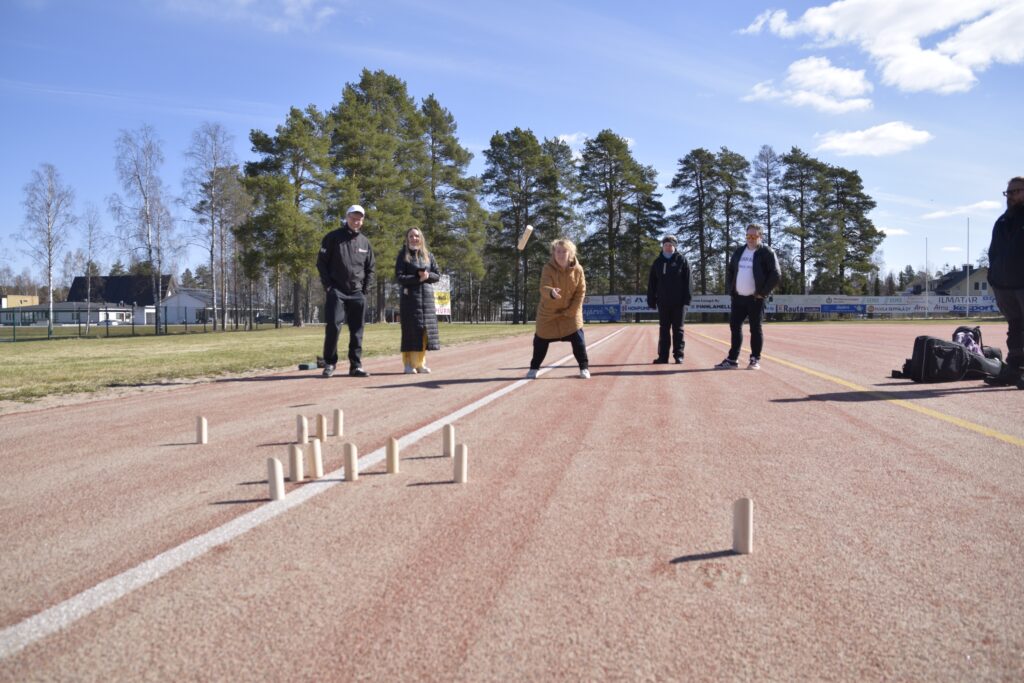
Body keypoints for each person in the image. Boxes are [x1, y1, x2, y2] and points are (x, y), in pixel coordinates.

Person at [317, 204, 375, 378]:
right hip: (337, 291)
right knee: (333, 327)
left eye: (359, 218)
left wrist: (364, 290)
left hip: (357, 293)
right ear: (347, 217)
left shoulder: (365, 242)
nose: (356, 221)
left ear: (362, 221)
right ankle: (329, 363)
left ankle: (355, 366)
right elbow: (321, 263)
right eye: (353, 217)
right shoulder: (333, 237)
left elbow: (370, 268)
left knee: (357, 330)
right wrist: (329, 286)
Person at [715, 224, 781, 370]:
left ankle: (754, 359)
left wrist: (763, 293)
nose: (750, 239)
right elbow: (730, 271)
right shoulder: (739, 251)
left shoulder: (766, 252)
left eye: (754, 236)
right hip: (738, 298)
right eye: (748, 236)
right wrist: (731, 290)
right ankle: (732, 359)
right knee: (735, 327)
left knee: (755, 329)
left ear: (760, 236)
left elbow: (776, 274)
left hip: (756, 299)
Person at [527, 238, 590, 379]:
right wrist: (551, 292)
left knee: (579, 340)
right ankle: (534, 368)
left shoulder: (578, 270)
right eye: (558, 251)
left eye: (564, 251)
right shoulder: (547, 268)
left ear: (571, 253)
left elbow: (581, 291)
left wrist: (572, 311)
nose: (560, 254)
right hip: (548, 313)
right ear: (553, 253)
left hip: (571, 312)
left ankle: (584, 368)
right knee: (540, 341)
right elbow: (543, 287)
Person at [987, 175, 1024, 371]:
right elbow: (993, 252)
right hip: (1003, 285)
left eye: (1016, 191)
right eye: (1008, 192)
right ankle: (1014, 367)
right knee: (1014, 327)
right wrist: (992, 277)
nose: (1010, 195)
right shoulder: (1001, 221)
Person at [395, 227, 441, 374]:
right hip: (410, 299)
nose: (414, 238)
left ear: (421, 238)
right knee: (410, 331)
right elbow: (399, 277)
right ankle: (408, 364)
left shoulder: (428, 255)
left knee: (423, 332)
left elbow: (437, 275)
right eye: (411, 236)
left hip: (427, 299)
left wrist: (428, 276)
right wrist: (417, 279)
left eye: (417, 236)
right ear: (407, 238)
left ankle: (420, 363)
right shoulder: (403, 255)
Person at [647, 234, 692, 364]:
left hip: (679, 302)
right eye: (666, 245)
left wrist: (687, 299)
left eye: (670, 245)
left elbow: (688, 281)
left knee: (678, 330)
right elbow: (652, 283)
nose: (668, 247)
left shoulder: (682, 260)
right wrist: (651, 300)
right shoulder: (657, 262)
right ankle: (663, 357)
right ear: (662, 246)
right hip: (663, 301)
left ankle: (679, 355)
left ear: (675, 246)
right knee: (664, 329)